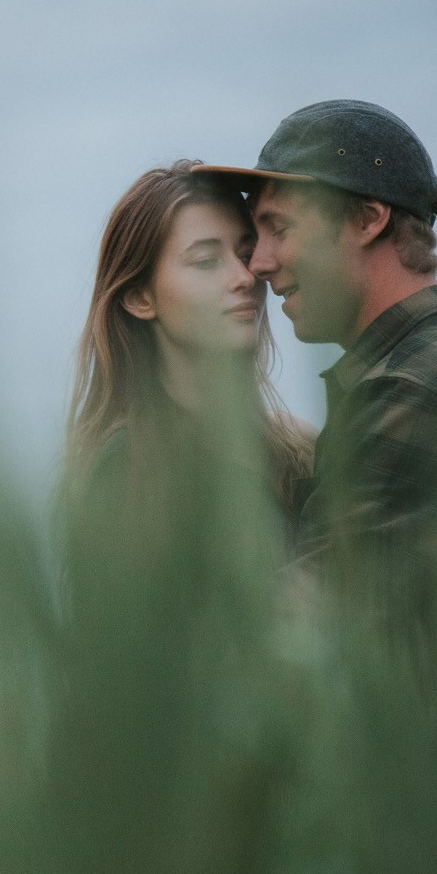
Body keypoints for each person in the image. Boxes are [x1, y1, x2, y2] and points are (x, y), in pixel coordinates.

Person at [195, 99, 437, 657]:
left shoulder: (412, 388)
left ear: (368, 220)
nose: (259, 263)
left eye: (278, 227)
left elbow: (300, 638)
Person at [62, 161, 315, 575]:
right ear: (140, 298)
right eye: (205, 261)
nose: (244, 277)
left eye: (246, 254)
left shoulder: (299, 448)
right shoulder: (129, 470)